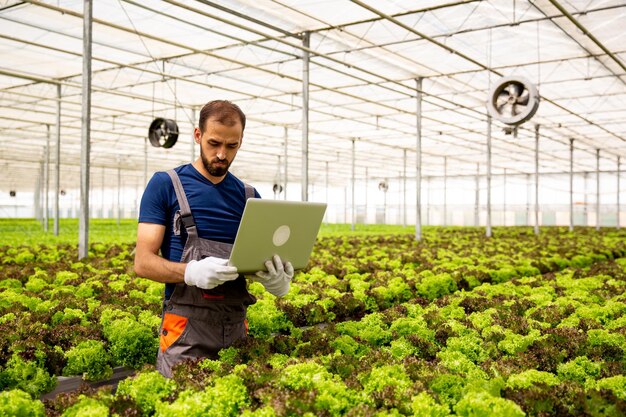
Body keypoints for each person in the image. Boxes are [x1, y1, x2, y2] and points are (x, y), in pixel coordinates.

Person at [134, 100, 293, 377]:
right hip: (184, 332)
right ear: (198, 136)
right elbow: (143, 262)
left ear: (241, 142)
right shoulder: (166, 185)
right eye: (214, 143)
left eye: (232, 146)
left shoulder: (250, 197)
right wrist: (190, 272)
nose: (221, 154)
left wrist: (275, 281)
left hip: (235, 329)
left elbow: (255, 262)